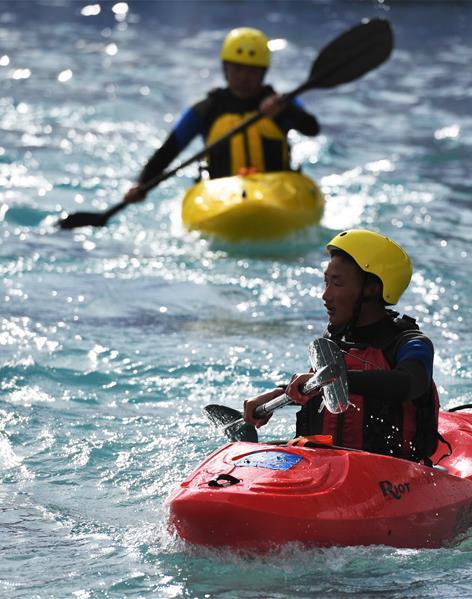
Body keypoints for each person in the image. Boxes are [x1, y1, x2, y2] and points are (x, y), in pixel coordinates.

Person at [244, 229, 441, 463]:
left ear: (372, 288)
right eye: (326, 282)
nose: (325, 296)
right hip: (326, 465)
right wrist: (279, 393)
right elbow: (320, 387)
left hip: (393, 474)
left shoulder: (410, 343)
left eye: (336, 283)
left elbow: (410, 384)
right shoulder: (334, 340)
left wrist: (331, 378)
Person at [123, 27, 320, 203]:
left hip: (277, 190)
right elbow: (169, 151)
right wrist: (141, 184)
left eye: (252, 71)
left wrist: (285, 109)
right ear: (225, 69)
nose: (244, 77)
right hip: (222, 195)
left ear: (263, 73)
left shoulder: (281, 103)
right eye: (237, 68)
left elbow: (312, 128)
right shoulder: (205, 110)